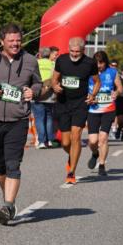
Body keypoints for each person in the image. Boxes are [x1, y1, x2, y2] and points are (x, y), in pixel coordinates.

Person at [0, 23, 44, 224]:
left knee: (13, 163)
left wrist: (34, 91)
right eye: (11, 41)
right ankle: (8, 199)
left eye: (18, 40)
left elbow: (38, 83)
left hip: (18, 120)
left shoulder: (30, 61)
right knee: (0, 166)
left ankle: (9, 205)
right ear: (2, 41)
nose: (15, 44)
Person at [51, 37, 99, 185]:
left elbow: (97, 81)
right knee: (66, 142)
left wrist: (93, 95)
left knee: (76, 136)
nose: (75, 54)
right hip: (63, 103)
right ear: (68, 48)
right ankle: (72, 155)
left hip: (80, 104)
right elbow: (54, 79)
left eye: (78, 52)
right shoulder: (62, 60)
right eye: (72, 51)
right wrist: (55, 86)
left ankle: (71, 172)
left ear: (83, 50)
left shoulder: (90, 63)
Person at [85, 50, 123, 176]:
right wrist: (89, 97)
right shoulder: (89, 72)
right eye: (97, 63)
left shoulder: (112, 72)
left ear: (105, 62)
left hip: (108, 109)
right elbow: (84, 89)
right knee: (93, 141)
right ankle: (95, 153)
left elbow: (120, 88)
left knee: (103, 138)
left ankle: (102, 164)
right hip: (93, 109)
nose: (99, 65)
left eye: (101, 63)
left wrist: (116, 93)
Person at [34, 46, 57, 148]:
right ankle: (50, 140)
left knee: (39, 118)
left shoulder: (36, 63)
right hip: (50, 94)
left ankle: (42, 141)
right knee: (49, 117)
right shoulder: (53, 64)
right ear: (49, 54)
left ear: (40, 54)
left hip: (38, 93)